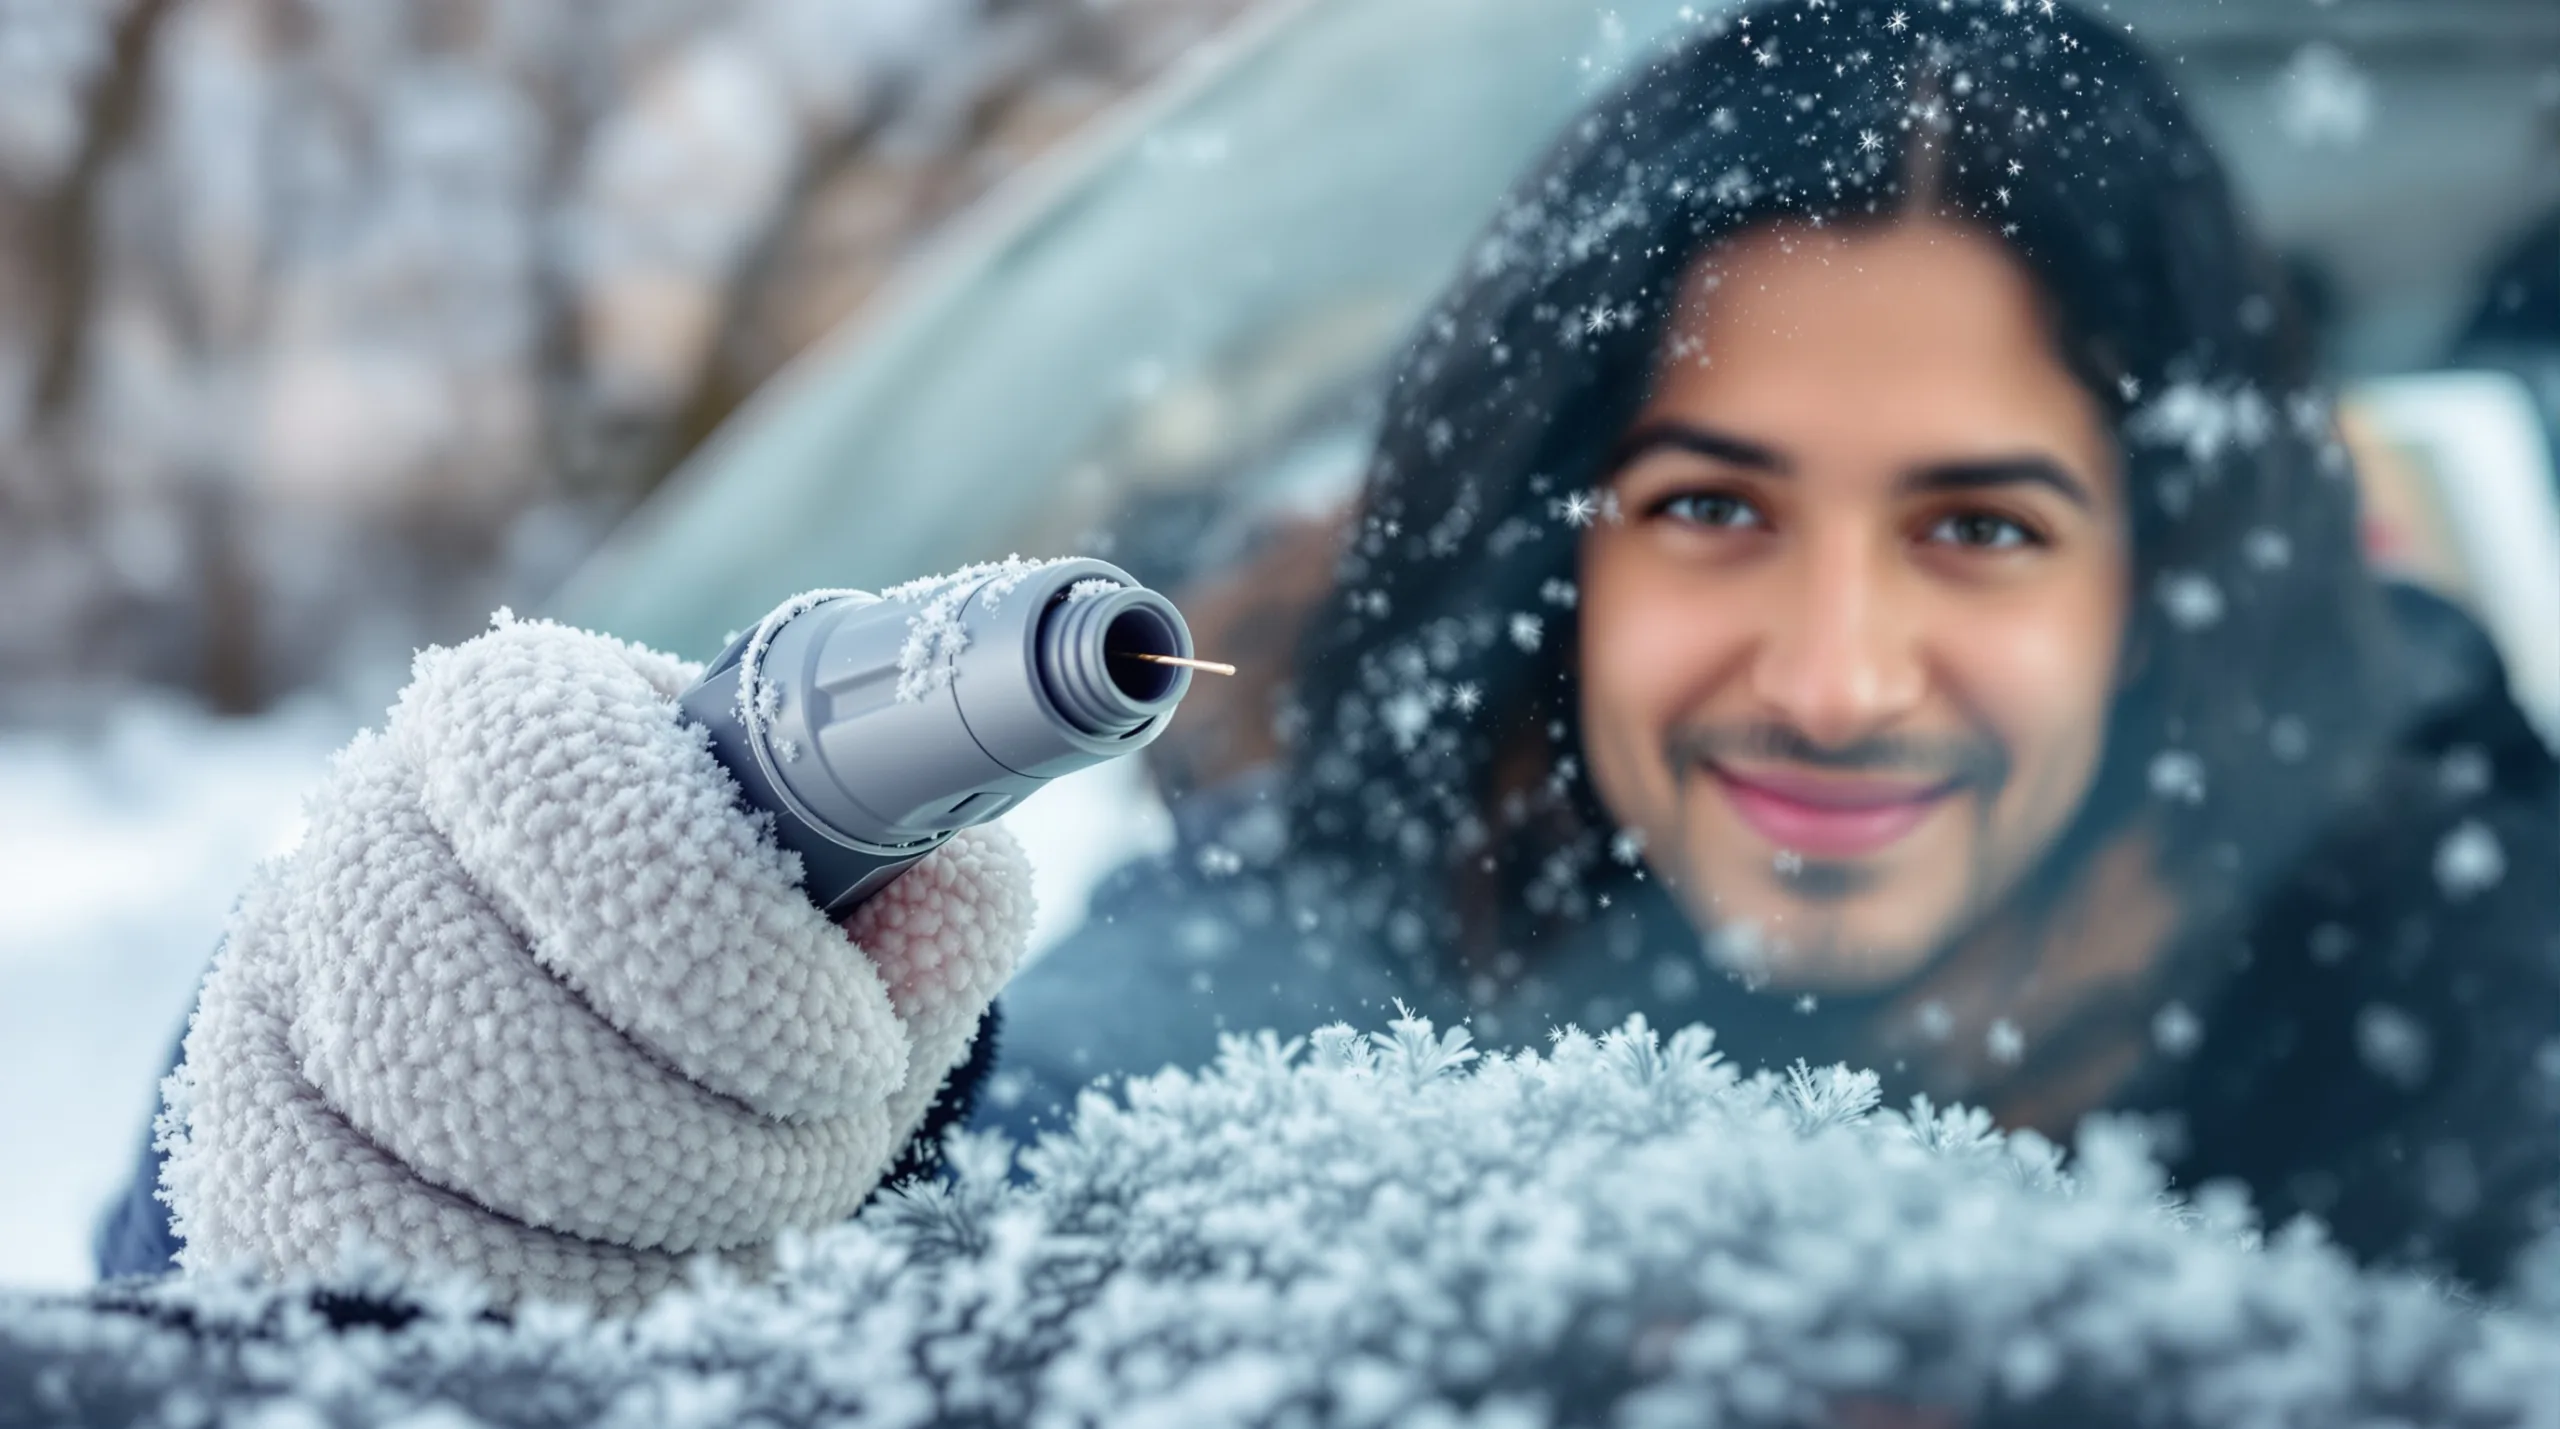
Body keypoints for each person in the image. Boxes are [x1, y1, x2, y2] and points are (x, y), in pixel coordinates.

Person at [101, 0, 2560, 1305]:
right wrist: (475, 1107)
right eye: (1706, 505)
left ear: (2163, 576)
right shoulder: (1304, 980)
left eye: (1977, 526)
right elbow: (854, 1209)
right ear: (1550, 555)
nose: (1832, 671)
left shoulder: (2462, 979)